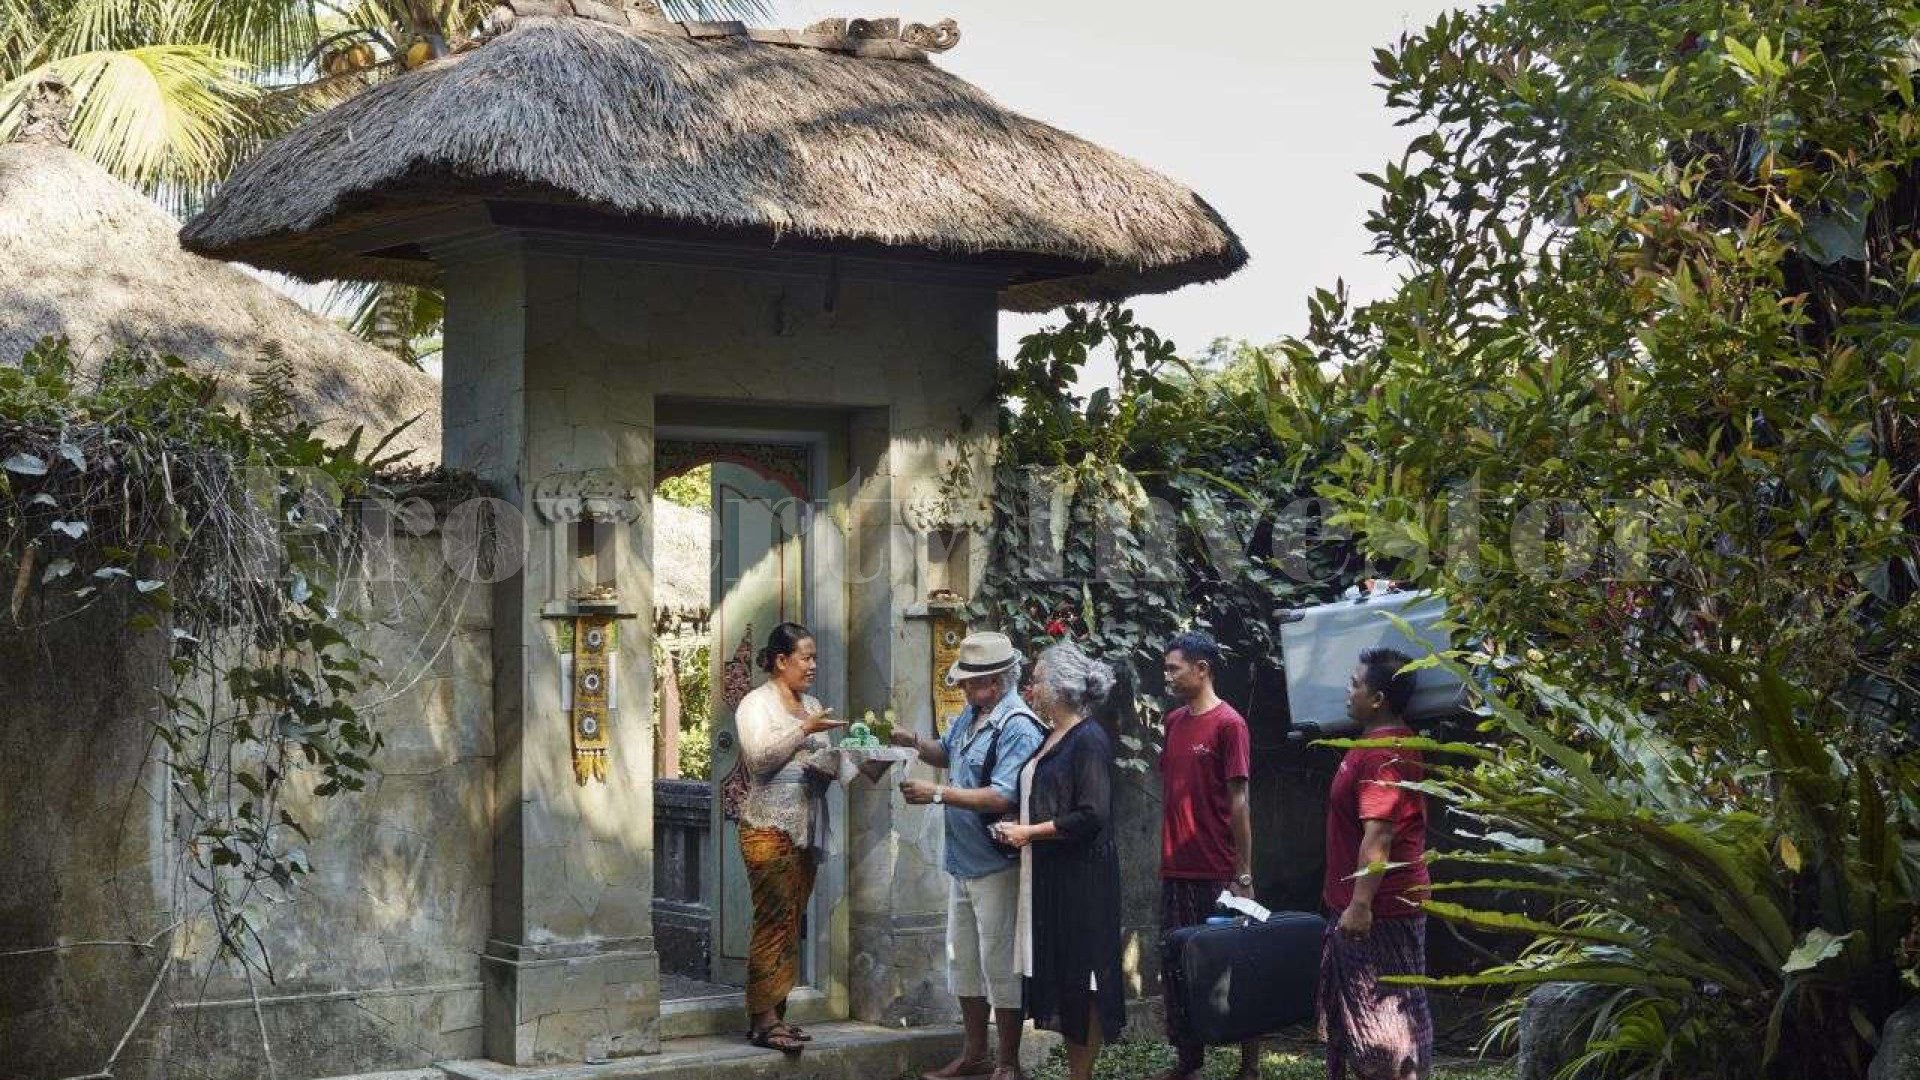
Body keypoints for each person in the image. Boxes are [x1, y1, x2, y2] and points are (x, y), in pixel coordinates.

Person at [891, 630, 1044, 1080]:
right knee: (964, 964)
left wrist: (938, 795)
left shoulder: (1016, 725)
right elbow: (947, 753)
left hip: (997, 865)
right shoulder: (971, 715)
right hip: (961, 861)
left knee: (1000, 964)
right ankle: (975, 1054)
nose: (960, 688)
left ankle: (1008, 1062)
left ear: (994, 683)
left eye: (969, 682)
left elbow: (1001, 795)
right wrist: (912, 741)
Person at [995, 640, 1125, 1080]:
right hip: (1052, 875)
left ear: (1060, 686)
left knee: (1082, 978)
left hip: (1082, 880)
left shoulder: (1089, 739)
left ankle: (1080, 1075)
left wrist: (1029, 831)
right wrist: (1021, 820)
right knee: (1067, 978)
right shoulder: (1054, 734)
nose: (1031, 686)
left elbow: (1092, 814)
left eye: (1036, 679)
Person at [1149, 631, 1261, 1080]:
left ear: (1203, 669)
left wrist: (1244, 874)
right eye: (1166, 667)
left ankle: (1249, 1064)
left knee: (1239, 965)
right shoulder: (1174, 721)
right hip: (1176, 868)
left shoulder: (1230, 724)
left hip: (1219, 871)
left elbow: (1240, 802)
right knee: (1177, 968)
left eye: (1174, 667)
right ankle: (1187, 1062)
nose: (1168, 675)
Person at [1318, 647, 1432, 1080]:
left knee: (1383, 1026)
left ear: (1378, 698)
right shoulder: (1378, 744)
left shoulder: (1383, 754)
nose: (1347, 693)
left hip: (1379, 911)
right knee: (1369, 1021)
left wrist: (1361, 904)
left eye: (1355, 685)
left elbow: (1380, 834)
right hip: (1361, 905)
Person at [733, 622, 848, 1054]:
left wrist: (846, 760)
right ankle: (763, 1017)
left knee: (792, 919)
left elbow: (824, 760)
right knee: (774, 917)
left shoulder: (812, 703)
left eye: (815, 657)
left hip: (806, 825)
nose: (813, 665)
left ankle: (775, 1014)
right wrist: (804, 730)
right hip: (768, 824)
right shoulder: (755, 704)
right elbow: (759, 760)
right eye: (806, 657)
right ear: (781, 661)